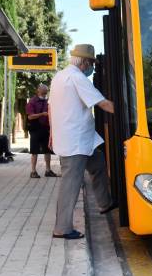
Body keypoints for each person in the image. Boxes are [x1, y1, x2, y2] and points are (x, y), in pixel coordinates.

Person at [49, 44, 116, 240]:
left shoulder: (59, 76)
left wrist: (52, 135)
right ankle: (62, 228)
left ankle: (105, 203)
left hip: (79, 140)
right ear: (85, 62)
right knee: (70, 184)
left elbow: (52, 108)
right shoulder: (78, 78)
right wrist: (128, 115)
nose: (92, 67)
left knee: (98, 164)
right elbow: (102, 103)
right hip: (75, 142)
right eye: (92, 63)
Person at [26, 84, 58, 178]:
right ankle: (33, 171)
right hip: (35, 128)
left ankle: (48, 170)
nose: (45, 93)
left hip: (46, 128)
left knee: (47, 150)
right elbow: (30, 116)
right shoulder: (32, 102)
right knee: (34, 151)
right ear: (38, 90)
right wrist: (42, 114)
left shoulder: (48, 101)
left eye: (46, 91)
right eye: (44, 91)